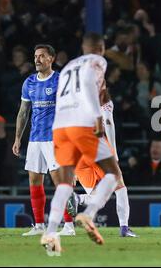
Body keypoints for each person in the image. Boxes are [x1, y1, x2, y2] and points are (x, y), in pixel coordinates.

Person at [41, 33, 121, 256]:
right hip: (81, 124)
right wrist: (97, 116)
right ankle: (90, 212)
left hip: (60, 126)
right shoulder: (98, 60)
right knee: (113, 173)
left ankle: (50, 233)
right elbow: (88, 84)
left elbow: (61, 96)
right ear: (101, 48)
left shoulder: (67, 67)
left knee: (65, 184)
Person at [12, 44, 75, 237]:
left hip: (55, 138)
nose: (37, 60)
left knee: (59, 181)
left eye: (41, 56)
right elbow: (23, 112)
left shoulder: (60, 80)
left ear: (51, 59)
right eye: (35, 56)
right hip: (35, 139)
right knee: (34, 180)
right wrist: (17, 138)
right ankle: (39, 224)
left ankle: (69, 225)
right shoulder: (29, 82)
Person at [67, 89, 137, 238]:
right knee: (120, 188)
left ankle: (77, 198)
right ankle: (124, 228)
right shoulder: (104, 101)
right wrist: (114, 153)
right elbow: (108, 123)